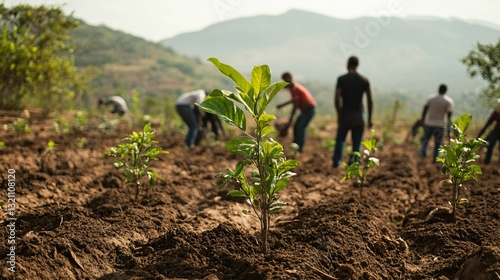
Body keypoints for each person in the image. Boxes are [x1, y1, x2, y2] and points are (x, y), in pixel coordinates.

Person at [332, 56, 373, 168]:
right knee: (357, 143)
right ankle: (354, 164)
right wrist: (369, 119)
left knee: (340, 140)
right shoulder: (364, 80)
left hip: (346, 114)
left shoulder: (342, 79)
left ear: (347, 65)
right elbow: (369, 100)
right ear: (357, 65)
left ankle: (337, 163)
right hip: (359, 115)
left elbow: (336, 99)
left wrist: (339, 115)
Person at [276, 72, 317, 153]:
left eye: (285, 80)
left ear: (289, 78)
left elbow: (296, 103)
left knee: (300, 127)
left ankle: (299, 149)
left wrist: (290, 118)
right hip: (307, 110)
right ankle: (296, 147)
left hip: (308, 109)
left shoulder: (295, 88)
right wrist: (282, 105)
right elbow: (294, 100)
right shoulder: (295, 88)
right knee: (297, 127)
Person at [419, 84, 454, 162]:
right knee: (437, 143)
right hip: (440, 125)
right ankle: (435, 159)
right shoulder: (448, 101)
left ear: (438, 89)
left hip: (429, 123)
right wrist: (449, 127)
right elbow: (449, 116)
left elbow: (425, 109)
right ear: (445, 91)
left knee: (425, 141)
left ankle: (422, 157)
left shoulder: (430, 99)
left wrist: (422, 120)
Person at [477, 99, 500, 164]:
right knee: (489, 146)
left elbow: (488, 124)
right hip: (496, 132)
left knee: (490, 146)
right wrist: (480, 135)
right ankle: (486, 162)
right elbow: (488, 123)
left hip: (496, 132)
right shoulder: (497, 112)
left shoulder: (497, 112)